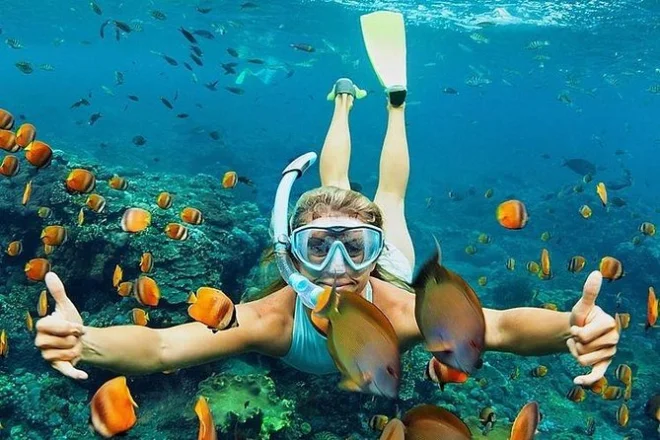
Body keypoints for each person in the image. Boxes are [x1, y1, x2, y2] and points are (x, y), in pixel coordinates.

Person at [35, 11, 619, 389]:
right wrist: (87, 342)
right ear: (293, 254)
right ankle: (342, 105)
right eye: (318, 247)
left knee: (388, 195)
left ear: (374, 250)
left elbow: (502, 328)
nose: (338, 266)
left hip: (394, 272)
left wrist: (571, 328)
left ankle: (393, 106)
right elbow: (164, 346)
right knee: (338, 182)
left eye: (354, 246)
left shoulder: (403, 309)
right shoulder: (271, 319)